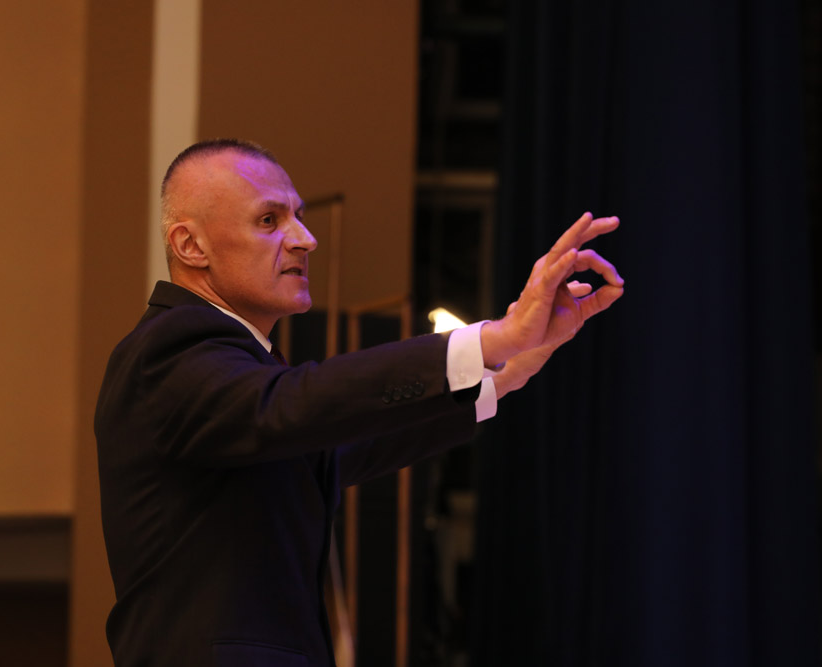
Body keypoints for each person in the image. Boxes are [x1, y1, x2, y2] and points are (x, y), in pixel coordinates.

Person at [94, 139, 623, 666]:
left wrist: (504, 373)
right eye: (269, 221)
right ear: (191, 245)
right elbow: (286, 407)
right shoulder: (169, 345)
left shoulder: (244, 370)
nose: (306, 239)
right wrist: (491, 338)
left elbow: (336, 448)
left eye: (299, 217)